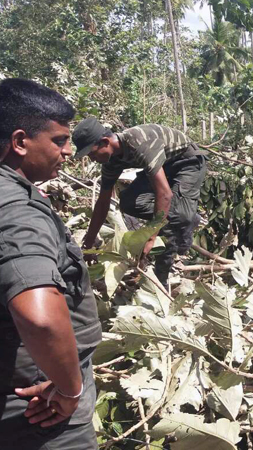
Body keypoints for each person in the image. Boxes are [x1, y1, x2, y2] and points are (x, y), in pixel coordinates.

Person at [0, 78, 100, 449]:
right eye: (59, 140)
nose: (69, 151)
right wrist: (69, 388)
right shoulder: (17, 211)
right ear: (21, 141)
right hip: (37, 408)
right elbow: (39, 316)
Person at [73, 118, 207, 285]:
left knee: (172, 218)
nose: (92, 159)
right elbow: (103, 202)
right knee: (129, 202)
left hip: (187, 162)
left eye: (92, 153)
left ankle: (161, 279)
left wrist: (151, 237)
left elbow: (164, 194)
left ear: (105, 142)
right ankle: (183, 215)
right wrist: (89, 240)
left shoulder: (139, 144)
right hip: (162, 165)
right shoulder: (111, 162)